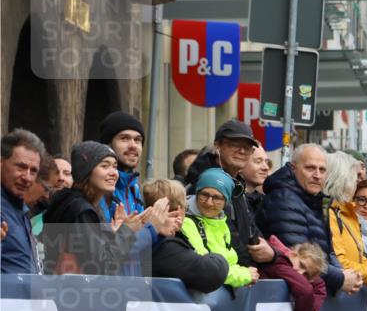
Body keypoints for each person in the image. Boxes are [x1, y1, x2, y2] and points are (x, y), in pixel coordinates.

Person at [41, 142, 167, 276]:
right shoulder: (81, 210)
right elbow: (103, 266)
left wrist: (111, 233)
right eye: (105, 166)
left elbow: (91, 254)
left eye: (115, 166)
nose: (113, 173)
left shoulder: (74, 203)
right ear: (86, 171)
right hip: (76, 292)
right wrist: (127, 230)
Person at [256, 143, 361, 297]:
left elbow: (327, 251)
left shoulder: (314, 200)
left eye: (322, 170)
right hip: (288, 298)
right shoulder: (284, 200)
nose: (317, 175)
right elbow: (298, 256)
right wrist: (340, 278)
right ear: (293, 169)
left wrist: (344, 273)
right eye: (310, 168)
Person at [98, 111, 182, 275]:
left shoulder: (134, 189)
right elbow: (109, 254)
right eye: (124, 138)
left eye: (138, 140)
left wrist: (160, 232)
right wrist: (152, 228)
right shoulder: (100, 191)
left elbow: (140, 249)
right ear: (108, 145)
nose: (133, 145)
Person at [185, 119, 276, 269]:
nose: (241, 151)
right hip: (219, 276)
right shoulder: (206, 184)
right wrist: (249, 267)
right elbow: (226, 239)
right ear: (217, 146)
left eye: (247, 147)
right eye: (234, 144)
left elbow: (250, 231)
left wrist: (273, 254)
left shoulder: (237, 184)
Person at [145, 178, 229, 292]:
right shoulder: (164, 245)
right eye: (186, 207)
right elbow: (211, 272)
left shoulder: (145, 236)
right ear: (180, 210)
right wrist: (217, 257)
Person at [182, 168, 259, 288]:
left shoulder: (222, 221)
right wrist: (242, 276)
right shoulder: (185, 221)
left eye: (217, 198)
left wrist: (246, 273)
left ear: (226, 202)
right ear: (197, 193)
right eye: (204, 195)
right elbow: (204, 267)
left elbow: (230, 261)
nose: (209, 202)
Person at [1, 129, 46, 274]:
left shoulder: (21, 210)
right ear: (1, 163)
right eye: (21, 167)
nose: (27, 177)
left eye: (33, 171)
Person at [260, 239, 327, 311]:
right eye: (301, 265)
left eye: (306, 274)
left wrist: (310, 310)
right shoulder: (275, 260)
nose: (300, 273)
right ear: (292, 254)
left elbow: (319, 284)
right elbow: (306, 290)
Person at [241, 145, 271, 215]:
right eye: (258, 161)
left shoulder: (264, 201)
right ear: (240, 165)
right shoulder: (230, 201)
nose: (266, 167)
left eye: (266, 162)